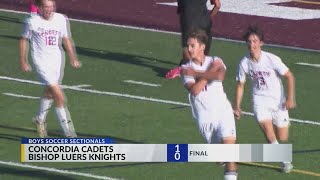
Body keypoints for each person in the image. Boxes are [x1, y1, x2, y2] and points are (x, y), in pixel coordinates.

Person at [233, 25, 295, 173]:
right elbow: (240, 85)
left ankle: (277, 141)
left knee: (283, 136)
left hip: (278, 101)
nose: (252, 44)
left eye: (255, 41)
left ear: (261, 43)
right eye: (249, 41)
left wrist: (290, 98)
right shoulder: (244, 63)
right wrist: (237, 106)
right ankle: (285, 162)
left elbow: (289, 76)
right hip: (259, 100)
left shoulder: (271, 59)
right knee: (268, 131)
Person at [181, 29, 237, 180]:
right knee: (220, 158)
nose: (189, 49)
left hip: (223, 111)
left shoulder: (215, 59)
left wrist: (200, 74)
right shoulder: (186, 69)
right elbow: (195, 90)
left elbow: (220, 75)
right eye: (188, 46)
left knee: (230, 152)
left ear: (202, 47)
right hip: (205, 119)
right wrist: (210, 72)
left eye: (192, 46)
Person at [20, 0, 81, 138]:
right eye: (46, 6)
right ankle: (69, 133)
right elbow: (23, 39)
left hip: (56, 61)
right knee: (59, 95)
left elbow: (66, 39)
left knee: (49, 92)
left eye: (52, 6)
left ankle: (39, 119)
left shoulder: (60, 19)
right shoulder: (32, 21)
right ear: (39, 7)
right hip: (41, 62)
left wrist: (72, 57)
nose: (50, 9)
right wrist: (23, 60)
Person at [165, 0, 221, 79]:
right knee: (202, 53)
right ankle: (194, 68)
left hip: (188, 19)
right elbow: (217, 5)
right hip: (205, 20)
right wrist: (208, 19)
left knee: (187, 50)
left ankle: (183, 69)